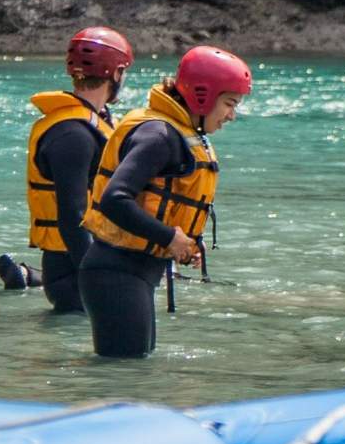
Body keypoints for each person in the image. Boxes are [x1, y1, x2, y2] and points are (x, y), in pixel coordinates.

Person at [77, 47, 253, 358]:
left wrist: (181, 244)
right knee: (125, 377)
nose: (231, 115)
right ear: (203, 95)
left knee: (135, 373)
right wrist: (169, 237)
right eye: (229, 104)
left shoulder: (179, 133)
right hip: (115, 273)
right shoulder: (158, 136)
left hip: (133, 274)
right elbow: (114, 199)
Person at [25, 27, 131, 312]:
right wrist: (95, 278)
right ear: (117, 73)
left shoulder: (94, 121)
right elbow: (72, 215)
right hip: (72, 274)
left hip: (92, 260)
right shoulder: (73, 134)